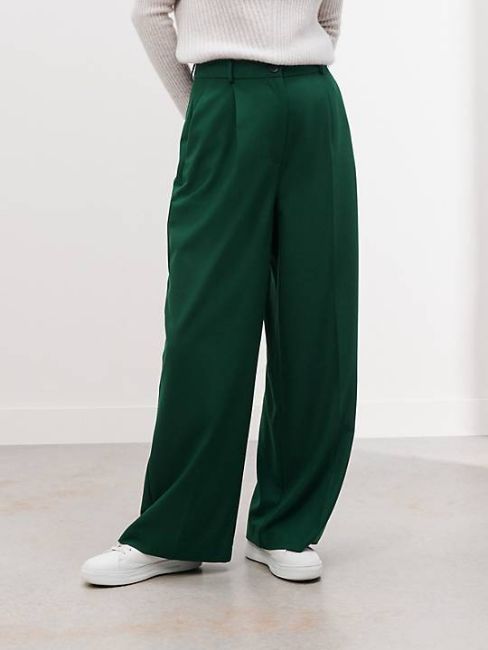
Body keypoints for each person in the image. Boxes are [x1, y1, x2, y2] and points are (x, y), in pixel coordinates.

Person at [82, 0, 358, 585]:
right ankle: (175, 532)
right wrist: (204, 105)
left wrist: (285, 73)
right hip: (224, 96)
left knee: (318, 321)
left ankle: (285, 525)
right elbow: (149, 12)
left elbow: (328, 18)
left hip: (314, 104)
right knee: (206, 323)